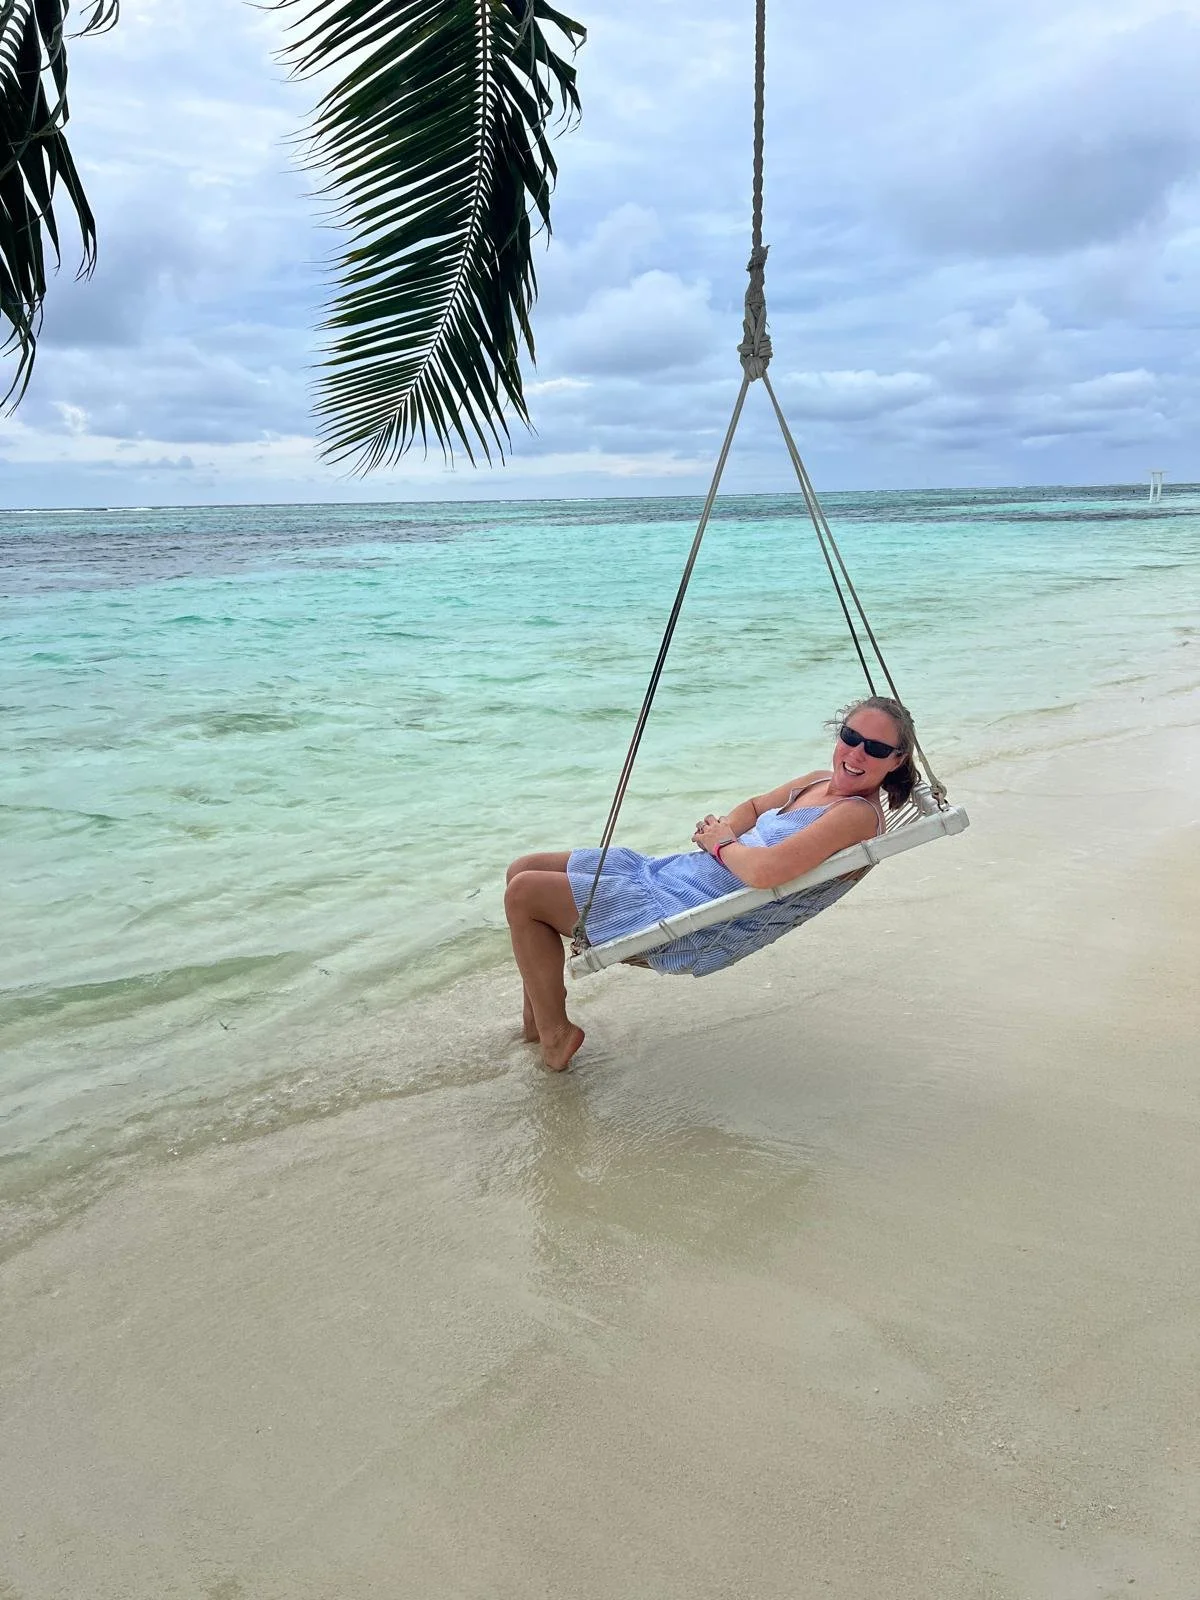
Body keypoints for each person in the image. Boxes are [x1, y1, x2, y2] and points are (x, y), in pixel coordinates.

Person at [504, 696, 920, 1071]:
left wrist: (721, 846)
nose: (857, 753)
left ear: (896, 760)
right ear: (839, 733)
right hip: (672, 874)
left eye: (877, 748)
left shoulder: (857, 816)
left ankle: (555, 1035)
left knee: (524, 894)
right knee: (523, 868)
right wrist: (724, 830)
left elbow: (765, 872)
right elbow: (755, 807)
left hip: (687, 912)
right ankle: (539, 1023)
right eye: (851, 736)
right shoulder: (815, 781)